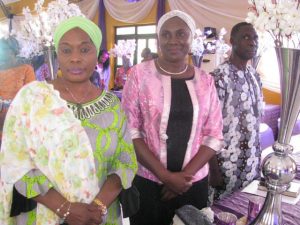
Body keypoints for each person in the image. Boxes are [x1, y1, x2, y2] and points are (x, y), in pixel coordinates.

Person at [0, 16, 137, 225]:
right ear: (57, 54)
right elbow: (14, 161)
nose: (75, 58)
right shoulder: (32, 99)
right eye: (66, 50)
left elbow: (125, 161)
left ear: (96, 53)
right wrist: (65, 208)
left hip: (100, 216)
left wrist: (98, 206)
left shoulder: (111, 105)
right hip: (45, 215)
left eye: (84, 50)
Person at [121, 10, 223, 225]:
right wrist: (166, 177)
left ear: (191, 38)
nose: (173, 40)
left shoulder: (205, 80)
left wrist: (184, 177)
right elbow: (130, 130)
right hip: (149, 182)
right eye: (165, 34)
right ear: (158, 39)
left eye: (181, 34)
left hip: (193, 183)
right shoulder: (139, 75)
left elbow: (213, 134)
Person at [209, 22, 264, 200]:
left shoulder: (254, 75)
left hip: (251, 165)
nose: (252, 42)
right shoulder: (219, 77)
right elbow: (207, 127)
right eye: (246, 37)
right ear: (232, 41)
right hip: (226, 168)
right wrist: (213, 170)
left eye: (255, 38)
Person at [0, 37, 35, 145]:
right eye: (2, 50)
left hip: (20, 114)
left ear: (14, 51)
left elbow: (31, 93)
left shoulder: (26, 69)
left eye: (6, 50)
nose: (3, 54)